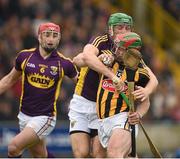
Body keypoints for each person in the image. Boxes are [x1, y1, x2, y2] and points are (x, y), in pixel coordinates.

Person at [69, 13, 158, 157]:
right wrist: (102, 63)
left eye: (127, 28)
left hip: (113, 112)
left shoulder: (135, 60)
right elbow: (80, 59)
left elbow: (152, 79)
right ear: (111, 29)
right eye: (119, 27)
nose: (123, 31)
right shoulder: (103, 43)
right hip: (88, 102)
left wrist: (146, 92)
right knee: (82, 153)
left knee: (105, 153)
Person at [0, 22, 78, 158]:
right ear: (39, 37)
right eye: (47, 35)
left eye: (54, 36)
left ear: (59, 39)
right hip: (24, 115)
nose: (50, 39)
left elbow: (82, 84)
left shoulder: (64, 63)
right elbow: (9, 80)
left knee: (14, 147)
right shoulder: (24, 57)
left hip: (45, 117)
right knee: (40, 156)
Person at [96, 32, 151, 157]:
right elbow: (89, 60)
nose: (116, 50)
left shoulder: (141, 73)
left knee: (114, 154)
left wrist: (139, 114)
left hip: (123, 119)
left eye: (120, 48)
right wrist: (101, 59)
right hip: (102, 120)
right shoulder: (110, 60)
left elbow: (145, 101)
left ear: (131, 51)